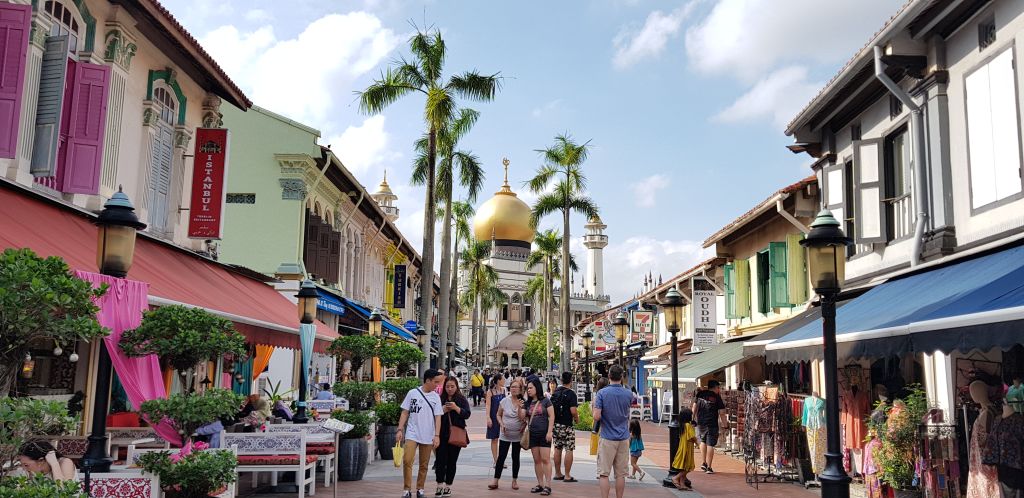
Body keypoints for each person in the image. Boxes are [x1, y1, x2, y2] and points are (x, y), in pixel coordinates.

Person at [397, 369, 444, 498]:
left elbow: (438, 417)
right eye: (435, 382)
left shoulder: (435, 397)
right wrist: (400, 429)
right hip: (412, 433)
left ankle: (420, 488)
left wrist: (437, 435)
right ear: (428, 381)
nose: (437, 385)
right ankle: (407, 489)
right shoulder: (412, 393)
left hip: (428, 434)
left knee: (424, 464)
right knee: (407, 460)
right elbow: (405, 412)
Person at [593, 365, 632, 498]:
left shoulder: (602, 393)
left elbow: (596, 416)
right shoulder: (628, 393)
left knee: (604, 474)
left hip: (607, 437)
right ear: (621, 377)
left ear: (609, 376)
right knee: (620, 474)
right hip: (623, 437)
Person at [435, 376, 471, 498]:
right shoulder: (440, 399)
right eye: (447, 386)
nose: (450, 389)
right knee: (440, 460)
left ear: (456, 387)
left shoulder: (461, 399)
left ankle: (448, 486)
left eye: (452, 386)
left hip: (456, 434)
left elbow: (467, 414)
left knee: (452, 461)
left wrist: (456, 408)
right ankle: (439, 485)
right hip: (441, 434)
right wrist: (443, 410)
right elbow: (434, 415)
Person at [490, 378, 525, 490]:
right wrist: (501, 424)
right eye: (512, 387)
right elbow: (498, 415)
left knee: (515, 457)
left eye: (516, 387)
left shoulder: (523, 402)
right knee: (501, 457)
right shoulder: (504, 400)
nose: (514, 389)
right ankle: (495, 480)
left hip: (517, 435)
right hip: (505, 434)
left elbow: (523, 418)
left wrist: (519, 407)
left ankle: (514, 480)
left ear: (520, 389)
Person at [521, 378, 554, 496]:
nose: (528, 390)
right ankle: (540, 484)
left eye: (531, 388)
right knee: (537, 460)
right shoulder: (527, 403)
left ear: (537, 388)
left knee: (545, 459)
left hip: (544, 434)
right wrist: (520, 407)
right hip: (533, 434)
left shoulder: (545, 401)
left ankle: (548, 485)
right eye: (527, 388)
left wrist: (549, 432)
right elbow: (522, 417)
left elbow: (552, 416)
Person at [691, 380, 728, 474]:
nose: (719, 390)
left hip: (701, 423)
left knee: (703, 441)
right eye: (718, 388)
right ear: (715, 387)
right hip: (712, 424)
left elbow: (694, 407)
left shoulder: (700, 394)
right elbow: (722, 413)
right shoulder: (716, 397)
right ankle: (709, 467)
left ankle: (704, 463)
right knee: (710, 444)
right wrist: (725, 425)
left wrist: (692, 418)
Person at [550, 372, 580, 482]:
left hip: (556, 424)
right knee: (569, 449)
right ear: (571, 381)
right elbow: (573, 410)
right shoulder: (571, 394)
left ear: (561, 380)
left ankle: (558, 473)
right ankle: (567, 475)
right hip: (567, 425)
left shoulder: (556, 392)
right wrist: (576, 419)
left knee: (557, 448)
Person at [670, 408, 697, 491]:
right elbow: (692, 437)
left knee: (684, 467)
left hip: (683, 447)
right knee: (688, 467)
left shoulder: (682, 425)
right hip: (687, 448)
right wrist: (698, 443)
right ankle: (675, 478)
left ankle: (682, 484)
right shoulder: (688, 426)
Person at [485, 374, 506, 468]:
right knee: (494, 439)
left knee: (503, 439)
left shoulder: (504, 390)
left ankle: (501, 461)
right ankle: (496, 460)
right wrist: (488, 417)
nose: (504, 381)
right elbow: (488, 405)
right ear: (498, 380)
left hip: (503, 417)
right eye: (503, 379)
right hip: (493, 417)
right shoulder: (490, 392)